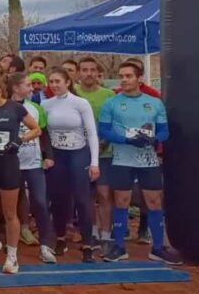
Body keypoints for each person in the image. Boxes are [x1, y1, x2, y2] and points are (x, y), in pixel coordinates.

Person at [98, 62, 182, 265]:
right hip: (121, 159)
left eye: (128, 76)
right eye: (122, 76)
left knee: (154, 202)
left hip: (148, 160)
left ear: (139, 78)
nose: (124, 79)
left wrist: (154, 140)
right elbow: (104, 131)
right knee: (121, 201)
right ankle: (119, 247)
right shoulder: (112, 103)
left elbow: (164, 131)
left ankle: (158, 247)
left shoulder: (154, 103)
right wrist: (126, 140)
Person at [0, 68, 41, 274]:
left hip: (8, 164)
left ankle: (12, 256)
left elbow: (36, 129)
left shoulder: (15, 109)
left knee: (10, 213)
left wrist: (19, 140)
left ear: (0, 92)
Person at [42, 66, 100, 262]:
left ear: (68, 82)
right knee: (58, 199)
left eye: (58, 81)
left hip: (78, 154)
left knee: (82, 199)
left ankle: (87, 243)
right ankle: (60, 238)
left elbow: (92, 133)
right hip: (57, 155)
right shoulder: (46, 104)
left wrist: (94, 162)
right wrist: (47, 155)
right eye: (51, 82)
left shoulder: (80, 103)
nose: (54, 85)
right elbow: (44, 134)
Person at [8, 72, 57, 263]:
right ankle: (8, 244)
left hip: (33, 163)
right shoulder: (3, 106)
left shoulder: (36, 108)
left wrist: (49, 156)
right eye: (27, 85)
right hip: (10, 163)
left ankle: (46, 245)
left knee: (40, 201)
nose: (31, 88)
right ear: (15, 88)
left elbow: (44, 134)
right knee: (9, 205)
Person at [74, 57, 117, 251]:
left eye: (92, 70)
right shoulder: (72, 94)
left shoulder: (109, 95)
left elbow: (116, 122)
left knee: (104, 194)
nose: (89, 73)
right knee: (86, 196)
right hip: (80, 153)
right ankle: (90, 232)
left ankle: (106, 235)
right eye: (85, 70)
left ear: (98, 73)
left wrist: (103, 142)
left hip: (105, 152)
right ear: (78, 73)